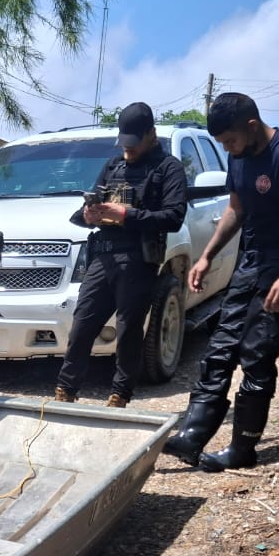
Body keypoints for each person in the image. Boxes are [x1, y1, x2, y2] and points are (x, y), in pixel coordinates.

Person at [163, 92, 279, 471]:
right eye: (221, 143)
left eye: (230, 140)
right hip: (249, 265)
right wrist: (207, 256)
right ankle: (193, 436)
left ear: (251, 126)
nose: (227, 148)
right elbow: (236, 210)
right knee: (220, 348)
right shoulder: (238, 159)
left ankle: (242, 450)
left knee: (256, 356)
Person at [54, 101, 187, 408]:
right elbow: (87, 208)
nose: (128, 150)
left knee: (128, 334)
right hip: (102, 258)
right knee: (82, 326)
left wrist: (127, 215)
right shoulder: (114, 166)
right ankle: (64, 392)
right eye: (124, 144)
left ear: (151, 135)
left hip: (138, 260)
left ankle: (120, 398)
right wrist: (89, 214)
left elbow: (173, 217)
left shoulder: (168, 169)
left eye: (134, 144)